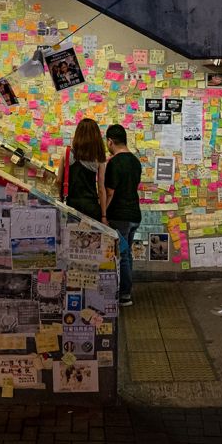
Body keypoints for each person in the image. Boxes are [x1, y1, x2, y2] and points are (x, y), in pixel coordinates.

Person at [103, 124, 142, 307]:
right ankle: (126, 291)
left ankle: (125, 295)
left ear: (110, 141)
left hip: (120, 217)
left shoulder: (114, 163)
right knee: (127, 254)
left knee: (123, 255)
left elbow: (109, 192)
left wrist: (102, 214)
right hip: (135, 215)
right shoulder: (135, 161)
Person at [57, 119, 107, 222]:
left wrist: (61, 198)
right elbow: (101, 189)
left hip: (71, 205)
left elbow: (59, 180)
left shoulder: (66, 153)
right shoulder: (98, 157)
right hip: (91, 207)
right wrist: (103, 216)